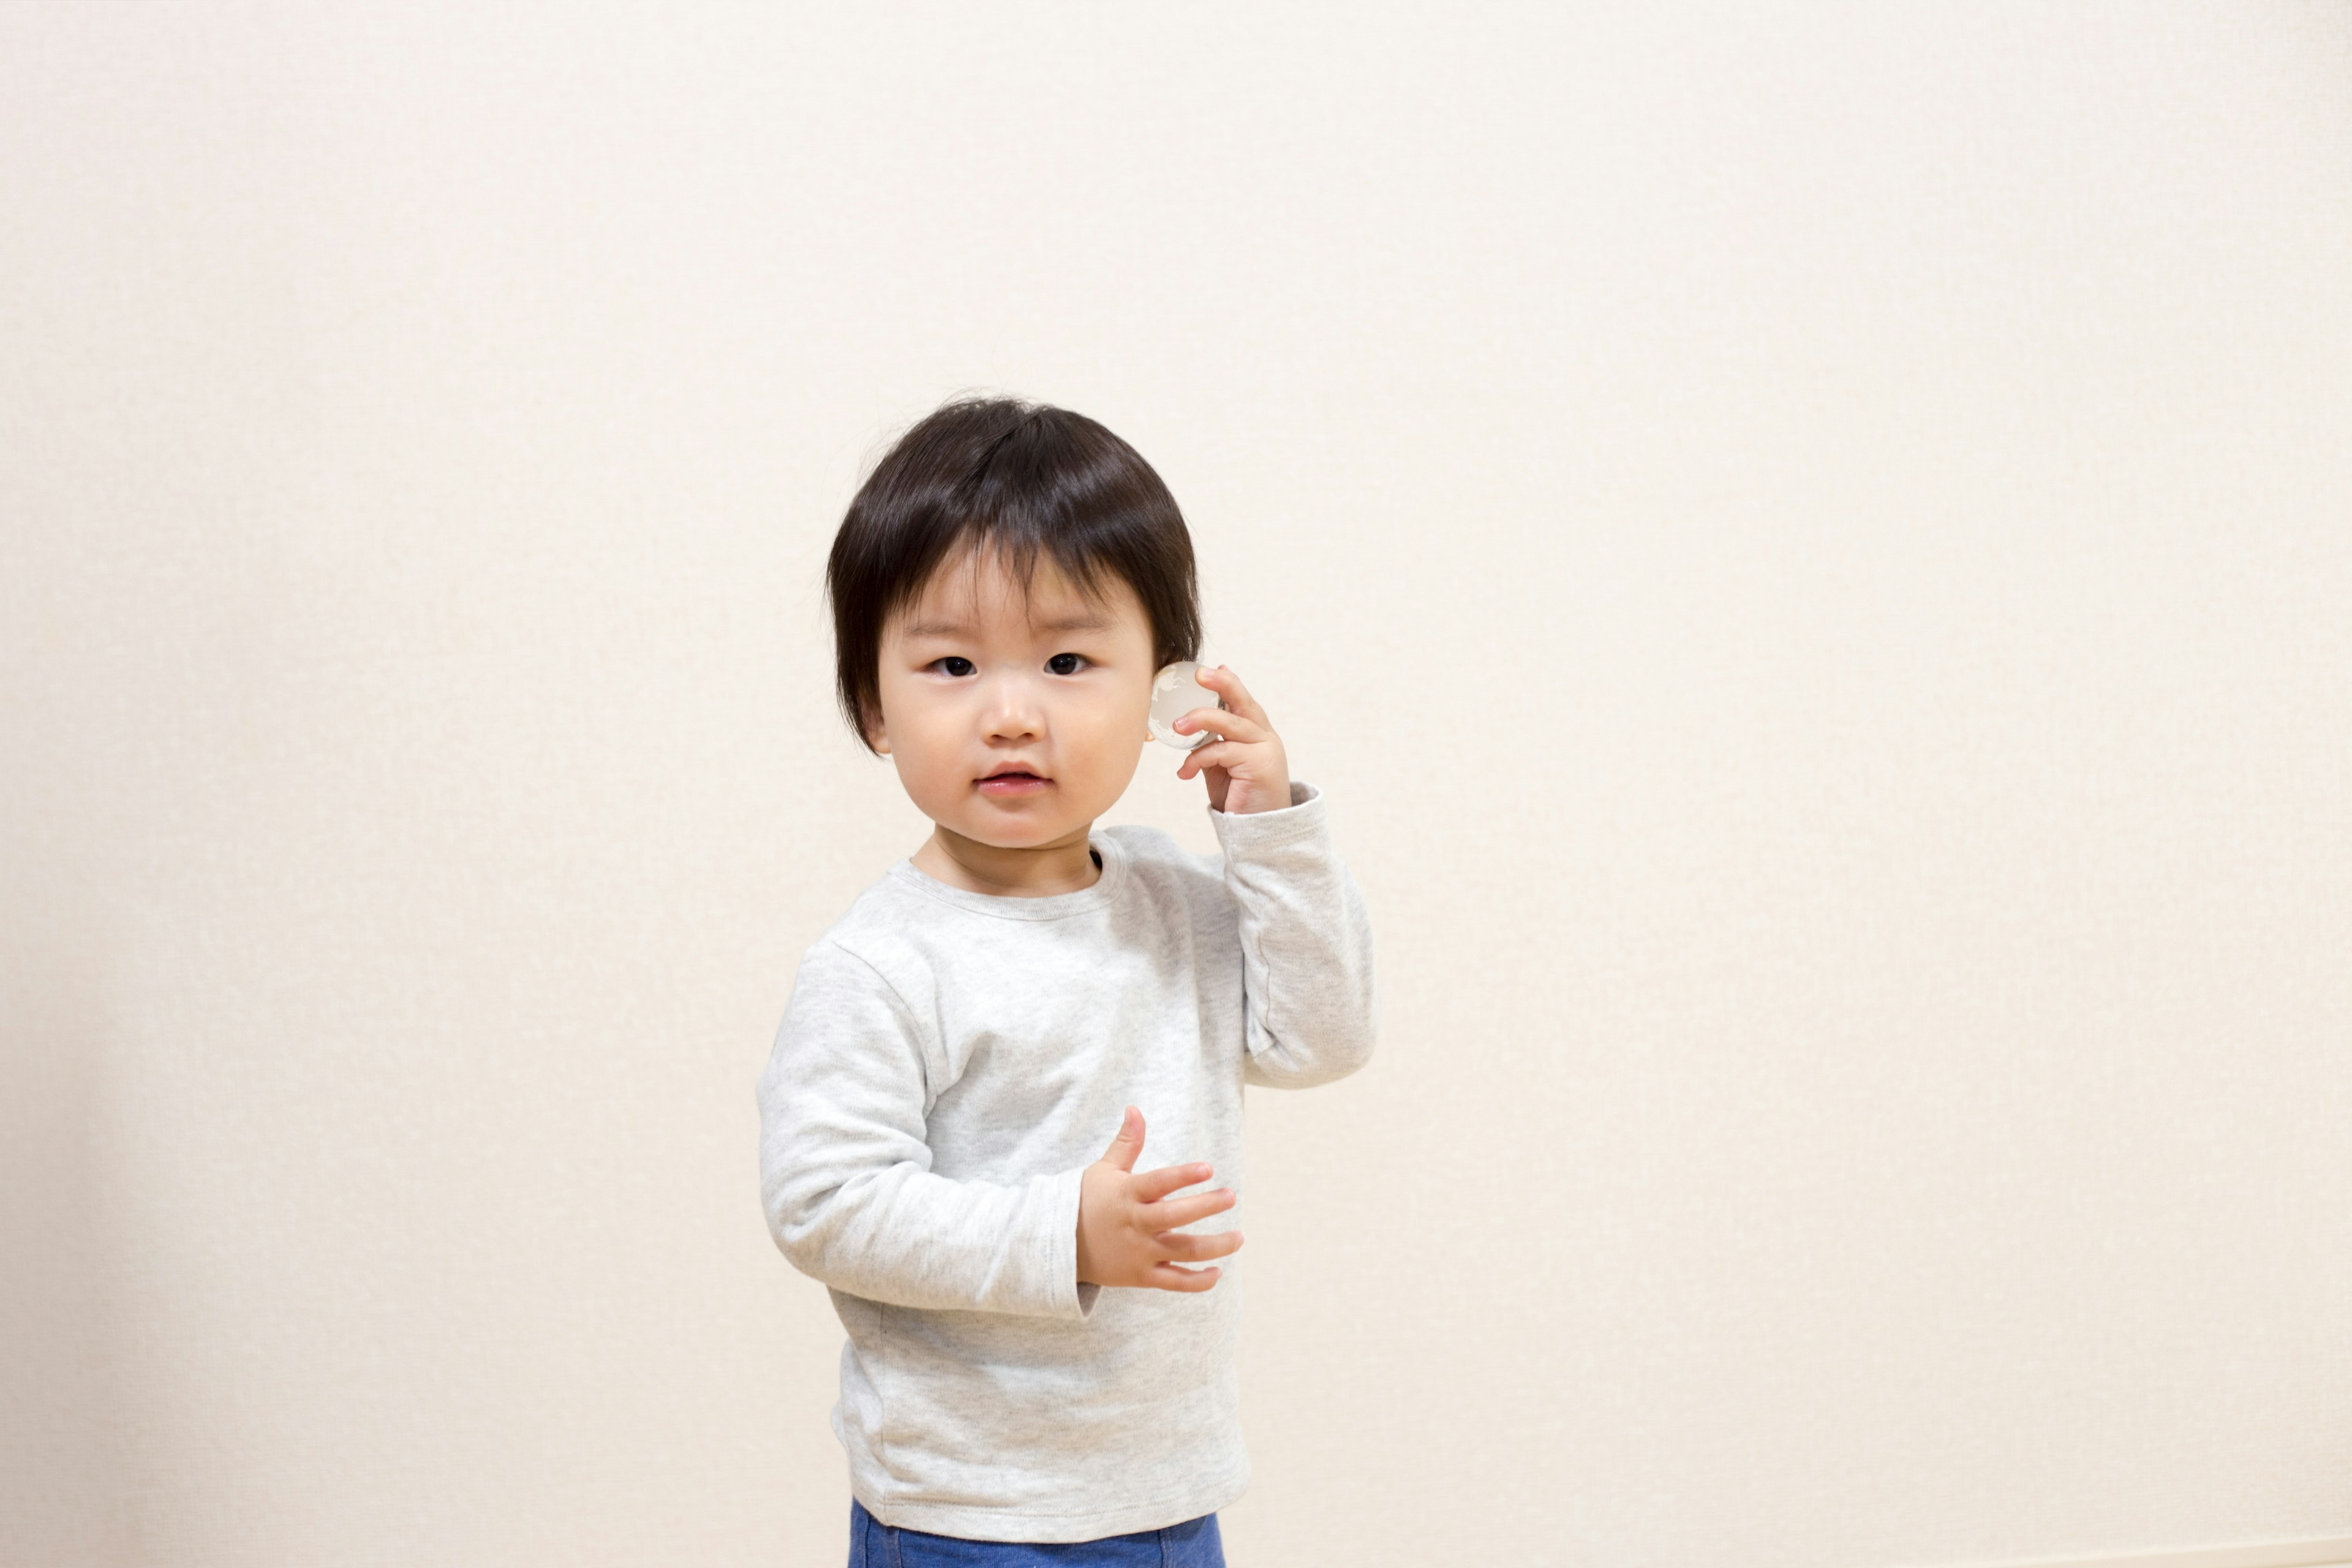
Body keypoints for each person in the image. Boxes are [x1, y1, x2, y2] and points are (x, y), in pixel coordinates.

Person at [756, 394, 1378, 1566]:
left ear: (1164, 692)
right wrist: (1063, 1235)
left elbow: (1323, 1037)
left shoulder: (1174, 905)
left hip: (1164, 1490)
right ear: (872, 705)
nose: (1010, 712)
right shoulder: (882, 963)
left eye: (1067, 660)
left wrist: (1271, 836)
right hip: (972, 1514)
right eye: (949, 662)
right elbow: (824, 1204)